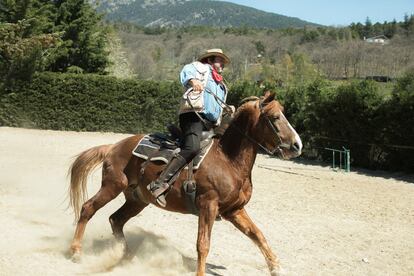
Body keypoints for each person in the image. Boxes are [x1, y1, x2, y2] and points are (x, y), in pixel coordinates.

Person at [147, 48, 231, 207]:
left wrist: (226, 109)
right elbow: (186, 71)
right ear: (210, 60)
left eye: (223, 62)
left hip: (210, 123)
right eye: (220, 60)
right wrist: (193, 81)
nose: (223, 64)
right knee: (192, 148)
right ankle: (159, 183)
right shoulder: (199, 68)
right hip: (193, 115)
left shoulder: (221, 85)